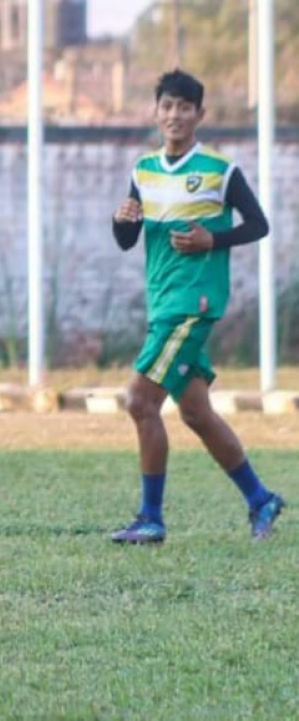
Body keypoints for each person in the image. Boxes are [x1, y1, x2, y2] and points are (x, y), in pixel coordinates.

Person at [110, 69, 285, 544]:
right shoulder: (142, 171)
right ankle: (261, 499)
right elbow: (127, 240)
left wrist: (213, 238)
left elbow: (260, 225)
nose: (174, 115)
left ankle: (151, 518)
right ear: (156, 111)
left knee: (140, 402)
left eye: (184, 107)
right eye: (167, 106)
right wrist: (120, 220)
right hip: (162, 302)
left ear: (199, 115)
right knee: (195, 413)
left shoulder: (219, 171)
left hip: (194, 305)